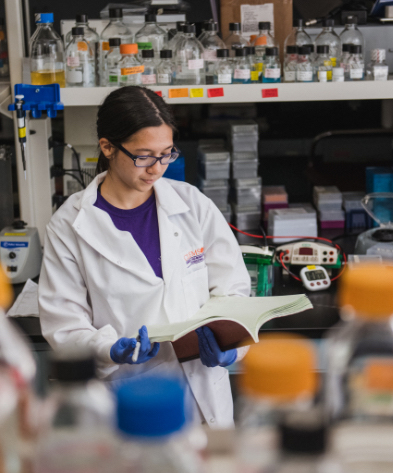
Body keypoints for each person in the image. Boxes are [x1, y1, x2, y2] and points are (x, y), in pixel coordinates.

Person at [38, 86, 250, 428]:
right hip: (127, 400)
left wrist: (232, 346)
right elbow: (64, 326)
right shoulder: (69, 226)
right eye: (144, 155)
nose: (157, 168)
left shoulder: (192, 204)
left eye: (166, 154)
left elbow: (233, 289)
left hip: (203, 396)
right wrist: (109, 349)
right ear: (107, 147)